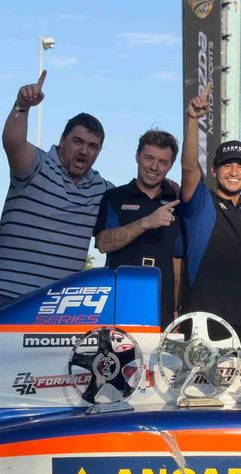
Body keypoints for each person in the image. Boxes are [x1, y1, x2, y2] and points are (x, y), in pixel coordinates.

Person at [0, 71, 114, 311]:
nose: (84, 151)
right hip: (8, 295)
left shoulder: (102, 189)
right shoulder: (36, 165)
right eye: (78, 141)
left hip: (58, 305)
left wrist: (168, 186)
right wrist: (22, 106)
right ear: (62, 140)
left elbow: (135, 198)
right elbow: (13, 142)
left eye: (93, 146)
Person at [177, 85, 241, 355]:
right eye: (227, 165)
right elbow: (189, 167)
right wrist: (193, 120)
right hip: (201, 323)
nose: (234, 171)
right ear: (214, 170)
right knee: (195, 396)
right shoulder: (202, 202)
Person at [94, 129, 182, 327]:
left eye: (163, 162)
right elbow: (103, 243)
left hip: (162, 306)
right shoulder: (114, 197)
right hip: (119, 302)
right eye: (149, 158)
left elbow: (178, 262)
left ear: (170, 166)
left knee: (156, 359)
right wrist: (145, 223)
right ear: (137, 156)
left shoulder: (177, 202)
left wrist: (177, 307)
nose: (154, 167)